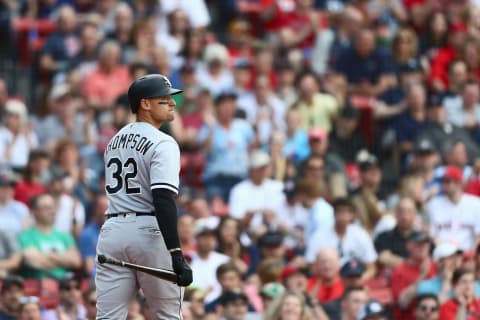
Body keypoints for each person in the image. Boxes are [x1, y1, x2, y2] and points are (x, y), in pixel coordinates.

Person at [95, 74, 193, 319]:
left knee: (108, 317)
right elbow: (162, 198)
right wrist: (176, 252)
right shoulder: (163, 142)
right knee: (167, 315)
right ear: (145, 104)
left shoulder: (114, 141)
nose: (172, 103)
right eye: (164, 98)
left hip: (113, 231)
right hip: (149, 231)